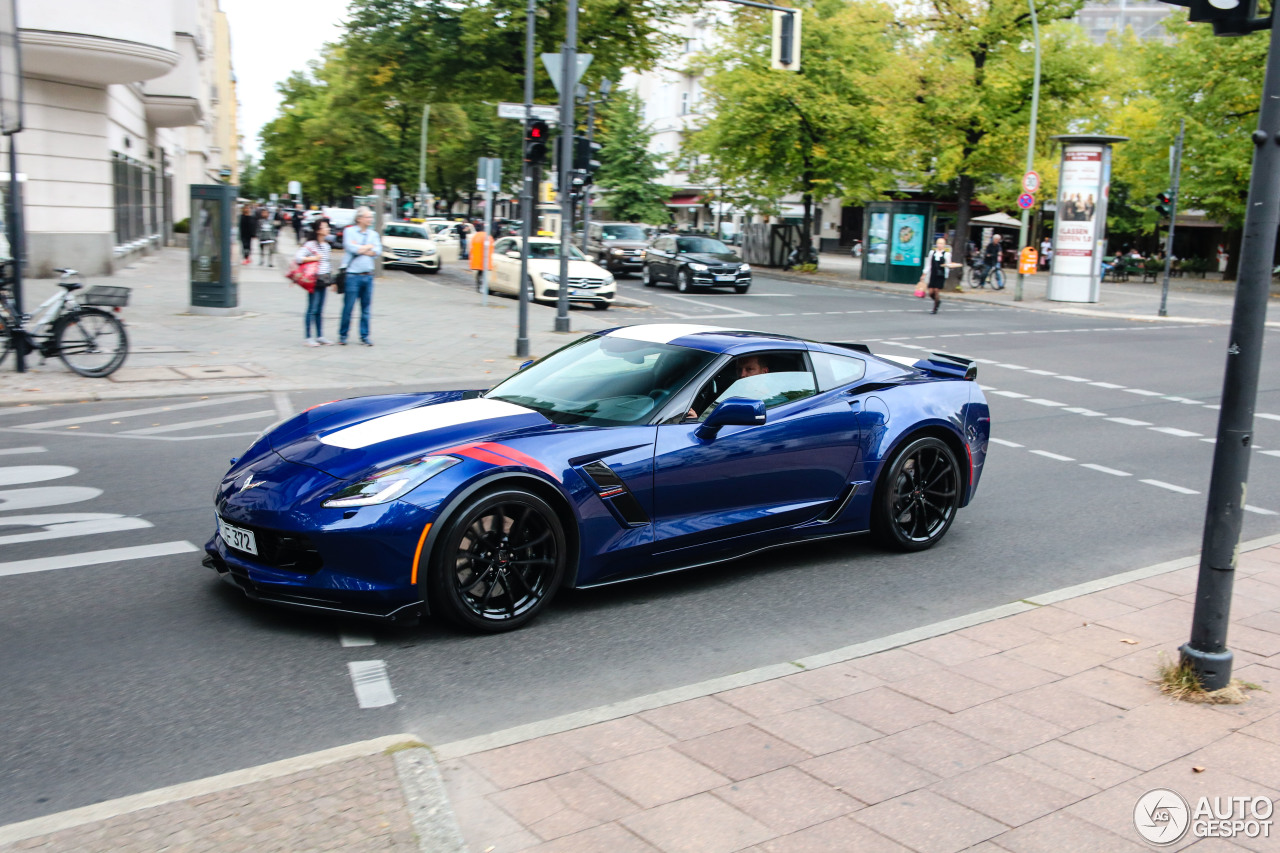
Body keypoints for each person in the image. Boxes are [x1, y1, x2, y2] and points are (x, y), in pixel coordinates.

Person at [339, 207, 381, 346]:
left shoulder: (373, 234)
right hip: (352, 276)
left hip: (368, 276)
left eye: (371, 217)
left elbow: (377, 251)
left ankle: (365, 336)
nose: (370, 219)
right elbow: (350, 248)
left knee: (366, 308)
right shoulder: (349, 231)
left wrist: (362, 248)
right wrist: (368, 247)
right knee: (348, 307)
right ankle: (343, 335)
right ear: (359, 218)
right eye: (368, 217)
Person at [687, 356, 770, 419]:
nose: (742, 375)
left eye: (749, 369)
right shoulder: (728, 394)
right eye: (739, 369)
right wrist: (696, 419)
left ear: (764, 372)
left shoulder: (774, 401)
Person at [295, 219, 334, 346]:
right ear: (318, 230)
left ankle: (320, 336)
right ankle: (308, 337)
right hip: (313, 279)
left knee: (320, 309)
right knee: (312, 308)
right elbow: (298, 258)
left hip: (324, 279)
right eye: (325, 227)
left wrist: (331, 279)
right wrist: (314, 258)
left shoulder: (326, 246)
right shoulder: (311, 244)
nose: (328, 229)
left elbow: (327, 263)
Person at [920, 237, 960, 314]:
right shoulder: (932, 253)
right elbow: (928, 264)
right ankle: (937, 301)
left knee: (936, 290)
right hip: (933, 274)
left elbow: (948, 264)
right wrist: (924, 274)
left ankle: (935, 308)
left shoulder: (947, 254)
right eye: (938, 243)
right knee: (931, 292)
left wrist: (950, 267)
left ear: (944, 245)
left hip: (941, 275)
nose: (940, 245)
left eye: (941, 243)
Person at [469, 224, 494, 291]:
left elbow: (472, 248)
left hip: (478, 260)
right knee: (483, 274)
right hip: (485, 260)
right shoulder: (487, 236)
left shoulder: (476, 236)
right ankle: (482, 286)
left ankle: (479, 286)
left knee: (480, 273)